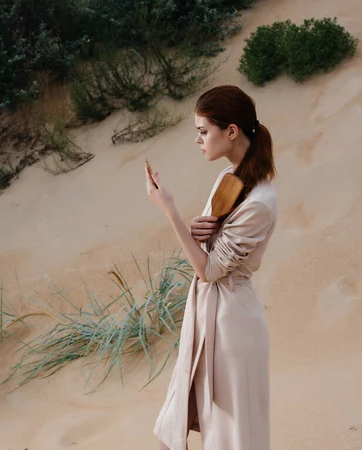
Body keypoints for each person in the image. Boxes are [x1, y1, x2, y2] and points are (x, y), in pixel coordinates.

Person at [145, 85, 277, 450]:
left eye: (203, 131)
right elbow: (208, 253)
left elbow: (209, 270)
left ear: (231, 131)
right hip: (204, 315)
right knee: (170, 432)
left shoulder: (261, 202)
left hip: (231, 325)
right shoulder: (229, 180)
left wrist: (169, 210)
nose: (198, 140)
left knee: (232, 439)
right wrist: (197, 230)